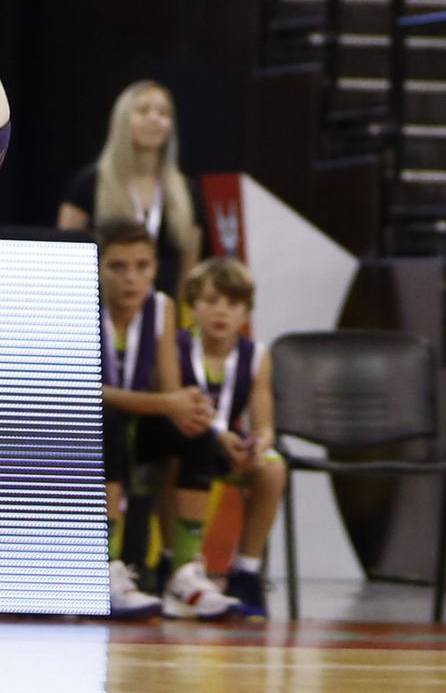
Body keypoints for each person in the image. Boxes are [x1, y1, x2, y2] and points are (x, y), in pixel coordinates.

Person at [98, 220, 221, 621]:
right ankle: (108, 568)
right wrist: (169, 402)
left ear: (155, 268)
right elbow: (84, 392)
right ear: (96, 267)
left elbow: (169, 389)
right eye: (117, 266)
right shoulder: (76, 300)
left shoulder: (163, 307)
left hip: (138, 423)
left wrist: (191, 407)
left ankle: (183, 571)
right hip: (90, 427)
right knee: (108, 420)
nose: (131, 278)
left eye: (141, 266)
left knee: (193, 433)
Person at [162, 257, 285, 622]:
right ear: (192, 306)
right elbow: (172, 406)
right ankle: (175, 562)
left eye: (232, 304)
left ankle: (246, 570)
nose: (221, 312)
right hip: (188, 439)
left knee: (273, 469)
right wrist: (219, 435)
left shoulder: (256, 356)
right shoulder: (175, 347)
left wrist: (257, 445)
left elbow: (264, 425)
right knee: (172, 458)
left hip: (231, 445)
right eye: (212, 301)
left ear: (246, 311)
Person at [58, 79, 204, 296]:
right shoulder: (89, 183)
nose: (154, 119)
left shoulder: (187, 191)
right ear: (122, 119)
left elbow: (189, 270)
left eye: (163, 113)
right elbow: (66, 258)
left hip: (164, 312)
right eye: (143, 111)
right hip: (102, 310)